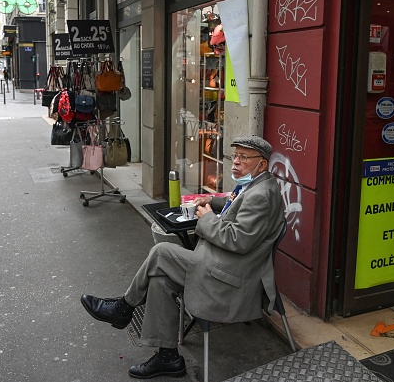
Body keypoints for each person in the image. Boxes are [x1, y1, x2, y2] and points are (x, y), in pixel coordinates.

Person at [81, 136, 285, 379]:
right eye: (235, 156)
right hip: (220, 265)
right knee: (160, 279)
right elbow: (236, 203)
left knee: (161, 252)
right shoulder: (256, 186)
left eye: (244, 157)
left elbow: (237, 240)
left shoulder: (261, 195)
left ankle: (123, 307)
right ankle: (169, 357)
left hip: (231, 280)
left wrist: (207, 217)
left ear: (261, 165)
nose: (236, 162)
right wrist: (212, 201)